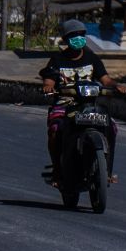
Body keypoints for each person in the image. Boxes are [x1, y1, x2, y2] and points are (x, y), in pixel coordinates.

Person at [39, 18, 120, 184]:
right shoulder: (57, 60)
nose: (78, 38)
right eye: (73, 35)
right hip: (64, 106)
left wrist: (117, 86)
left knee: (111, 127)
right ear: (65, 39)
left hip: (90, 105)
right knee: (55, 130)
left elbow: (105, 80)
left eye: (81, 34)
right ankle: (57, 169)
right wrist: (48, 86)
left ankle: (107, 171)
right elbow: (49, 80)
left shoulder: (92, 58)